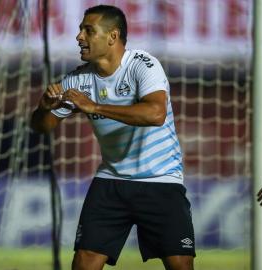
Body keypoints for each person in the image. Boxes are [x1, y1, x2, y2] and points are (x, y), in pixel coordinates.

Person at [31, 5, 195, 270]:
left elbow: (155, 114)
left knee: (180, 265)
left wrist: (94, 107)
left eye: (88, 30)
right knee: (84, 263)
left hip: (160, 178)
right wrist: (44, 107)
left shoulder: (143, 65)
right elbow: (42, 126)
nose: (79, 37)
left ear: (112, 36)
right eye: (80, 29)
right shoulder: (78, 80)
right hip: (111, 180)